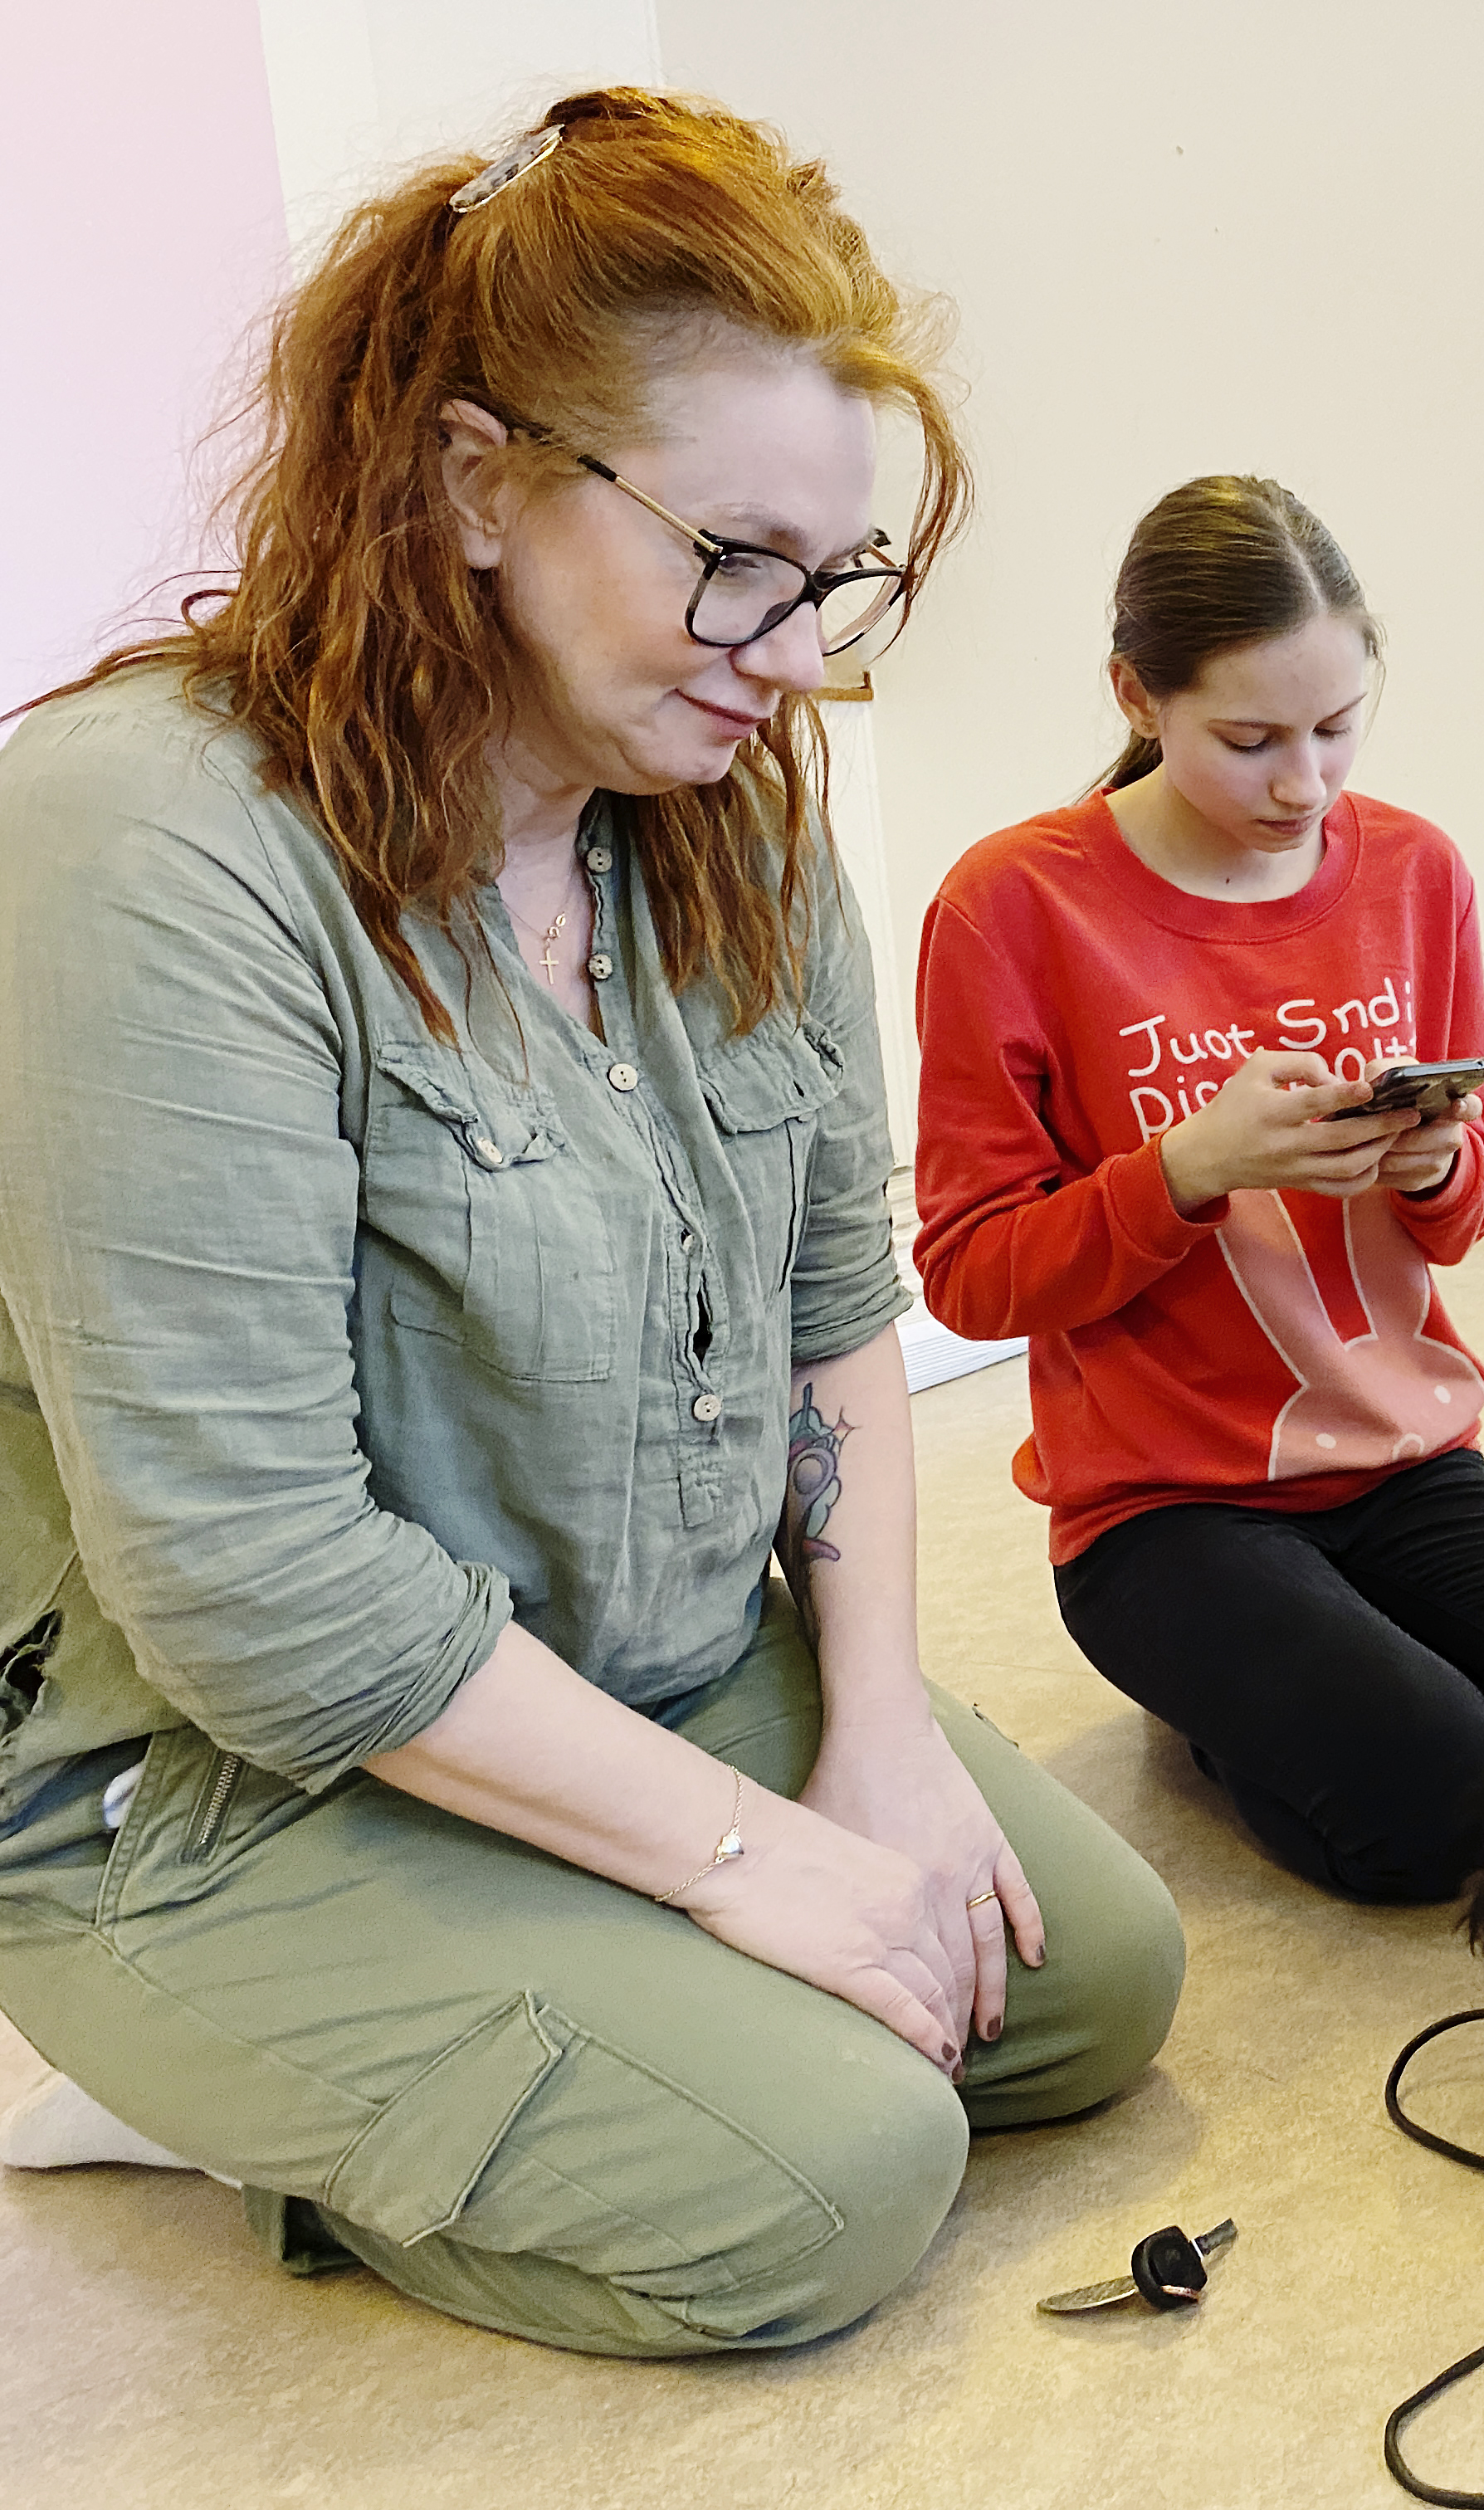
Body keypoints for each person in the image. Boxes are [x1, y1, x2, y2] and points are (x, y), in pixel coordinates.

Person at [0, 91, 1184, 2356]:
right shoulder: (145, 848)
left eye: (829, 585)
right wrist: (752, 1868)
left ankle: (579, 1943)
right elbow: (254, 1585)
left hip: (631, 1656)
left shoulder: (720, 810)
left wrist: (877, 1748)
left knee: (1086, 1990)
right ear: (471, 484)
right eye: (735, 558)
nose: (796, 652)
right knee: (829, 2180)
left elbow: (841, 1295)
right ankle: (189, 2085)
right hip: (211, 1782)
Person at [910, 477, 1484, 1906]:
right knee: (1444, 1809)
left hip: (1410, 1465)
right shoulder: (1013, 904)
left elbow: (1466, 1216)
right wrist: (1183, 1172)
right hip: (1164, 1514)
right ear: (1136, 695)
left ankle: (1303, 1671)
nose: (1305, 782)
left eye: (1339, 726)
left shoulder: (1415, 870)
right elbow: (969, 1273)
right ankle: (1213, 1712)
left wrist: (1436, 1162)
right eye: (1250, 738)